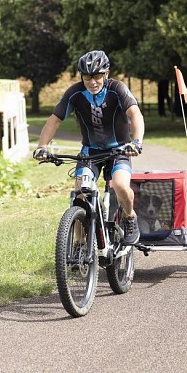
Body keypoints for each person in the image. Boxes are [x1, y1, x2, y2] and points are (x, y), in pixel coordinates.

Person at [33, 50, 145, 244]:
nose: (92, 82)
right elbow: (54, 120)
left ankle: (129, 217)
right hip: (90, 153)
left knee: (120, 185)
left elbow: (135, 114)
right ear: (81, 76)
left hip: (119, 150)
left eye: (97, 76)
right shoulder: (75, 93)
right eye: (87, 77)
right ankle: (79, 245)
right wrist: (42, 146)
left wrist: (136, 142)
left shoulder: (117, 88)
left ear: (106, 74)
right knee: (80, 193)